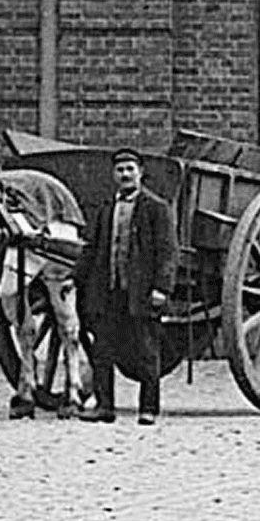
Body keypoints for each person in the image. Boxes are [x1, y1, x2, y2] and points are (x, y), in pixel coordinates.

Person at [79, 152, 188, 426]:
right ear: (114, 175)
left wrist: (162, 288)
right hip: (110, 292)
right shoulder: (107, 208)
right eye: (120, 170)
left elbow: (167, 252)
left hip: (141, 293)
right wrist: (76, 278)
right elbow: (93, 249)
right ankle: (105, 407)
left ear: (140, 172)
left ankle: (148, 409)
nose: (125, 175)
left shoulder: (156, 207)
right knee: (102, 351)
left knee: (147, 351)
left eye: (130, 169)